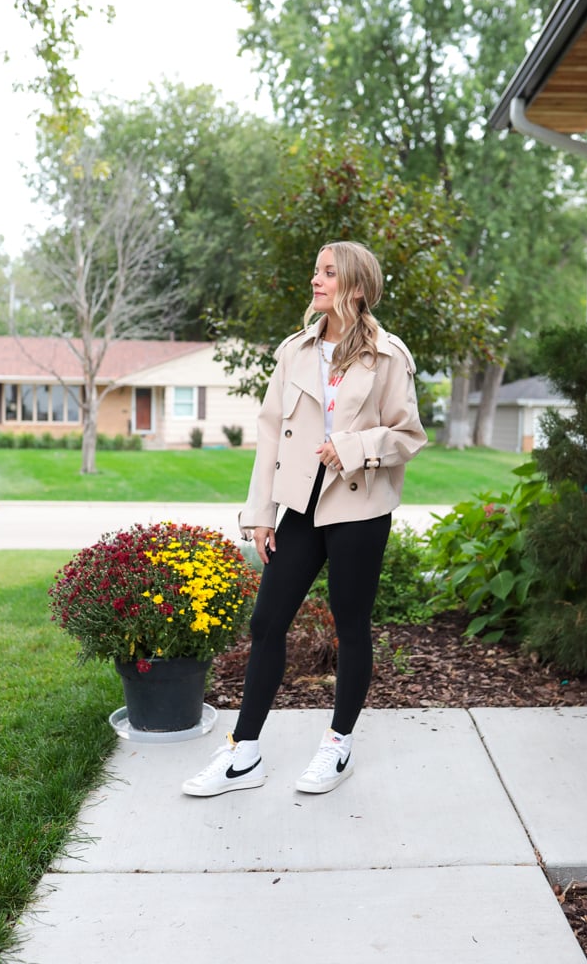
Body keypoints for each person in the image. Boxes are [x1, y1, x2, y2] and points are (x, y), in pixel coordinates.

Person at [182, 240, 427, 798]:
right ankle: (244, 753)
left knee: (350, 625)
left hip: (359, 507)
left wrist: (354, 446)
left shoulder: (389, 356)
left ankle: (337, 744)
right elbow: (270, 433)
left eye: (328, 273)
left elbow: (408, 435)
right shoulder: (294, 351)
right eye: (315, 270)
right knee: (267, 622)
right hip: (298, 506)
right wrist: (260, 514)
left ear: (357, 288)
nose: (315, 281)